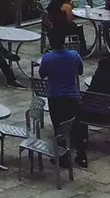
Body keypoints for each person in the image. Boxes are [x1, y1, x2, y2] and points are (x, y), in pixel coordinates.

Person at [38, 33, 89, 169]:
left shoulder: (48, 58)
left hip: (55, 97)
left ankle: (62, 157)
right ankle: (81, 155)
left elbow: (42, 74)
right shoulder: (74, 55)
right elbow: (80, 71)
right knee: (76, 126)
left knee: (58, 126)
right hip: (72, 96)